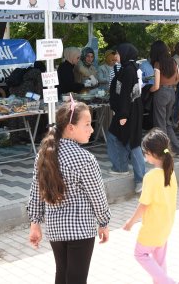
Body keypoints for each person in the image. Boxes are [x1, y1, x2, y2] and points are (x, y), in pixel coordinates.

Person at [27, 101, 111, 284]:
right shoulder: (84, 158)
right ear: (71, 128)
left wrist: (35, 223)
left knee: (62, 274)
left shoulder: (43, 154)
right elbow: (97, 196)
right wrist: (104, 222)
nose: (91, 129)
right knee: (76, 279)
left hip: (55, 229)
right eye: (87, 124)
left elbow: (36, 191)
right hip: (81, 230)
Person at [123, 129, 178, 284]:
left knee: (140, 254)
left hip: (152, 227)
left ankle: (169, 282)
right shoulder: (170, 172)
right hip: (166, 225)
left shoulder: (151, 176)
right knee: (160, 262)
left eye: (145, 152)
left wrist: (131, 222)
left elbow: (144, 205)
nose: (144, 155)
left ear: (153, 153)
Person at [107, 43, 146, 193]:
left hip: (128, 112)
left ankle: (141, 180)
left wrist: (123, 115)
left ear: (124, 54)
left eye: (117, 53)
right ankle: (121, 167)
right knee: (115, 136)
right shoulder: (127, 68)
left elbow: (126, 93)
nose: (116, 56)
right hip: (127, 110)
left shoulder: (129, 70)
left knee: (133, 143)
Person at [149, 40, 179, 158]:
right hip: (171, 92)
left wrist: (148, 90)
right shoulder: (173, 62)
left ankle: (164, 152)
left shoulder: (157, 64)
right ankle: (178, 151)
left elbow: (156, 86)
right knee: (167, 123)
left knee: (160, 124)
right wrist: (171, 83)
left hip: (161, 93)